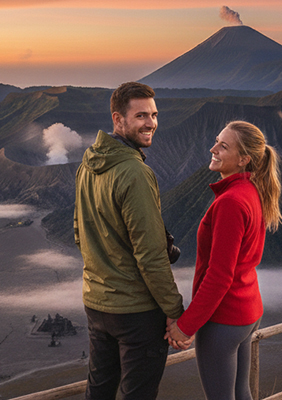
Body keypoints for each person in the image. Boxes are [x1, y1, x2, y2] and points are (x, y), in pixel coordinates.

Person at [74, 81, 184, 400]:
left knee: (99, 392)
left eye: (154, 114)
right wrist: (175, 311)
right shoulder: (134, 173)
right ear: (118, 120)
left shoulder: (88, 163)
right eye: (140, 116)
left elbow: (80, 232)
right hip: (136, 313)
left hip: (96, 304)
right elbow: (151, 256)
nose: (150, 123)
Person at [165, 120, 282, 400]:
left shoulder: (230, 202)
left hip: (224, 320)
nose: (213, 148)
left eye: (223, 146)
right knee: (241, 394)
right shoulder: (252, 192)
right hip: (247, 313)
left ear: (244, 160)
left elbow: (219, 276)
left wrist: (185, 326)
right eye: (217, 140)